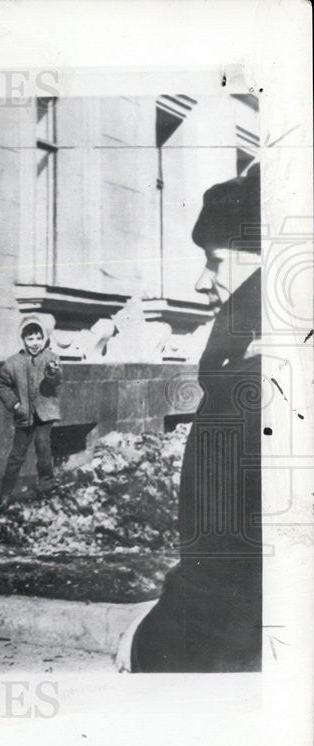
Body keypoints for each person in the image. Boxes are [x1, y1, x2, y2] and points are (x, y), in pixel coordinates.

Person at [118, 164, 262, 673]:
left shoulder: (249, 388)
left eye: (215, 261)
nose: (204, 282)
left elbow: (226, 572)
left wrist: (155, 637)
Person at [0, 316, 62, 509]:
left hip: (45, 413)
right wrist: (14, 405)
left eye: (38, 338)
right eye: (30, 339)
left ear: (44, 338)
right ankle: (4, 493)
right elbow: (1, 385)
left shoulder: (51, 359)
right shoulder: (13, 363)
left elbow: (55, 380)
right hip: (24, 415)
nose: (35, 343)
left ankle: (47, 487)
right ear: (22, 340)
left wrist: (53, 372)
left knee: (43, 448)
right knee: (16, 456)